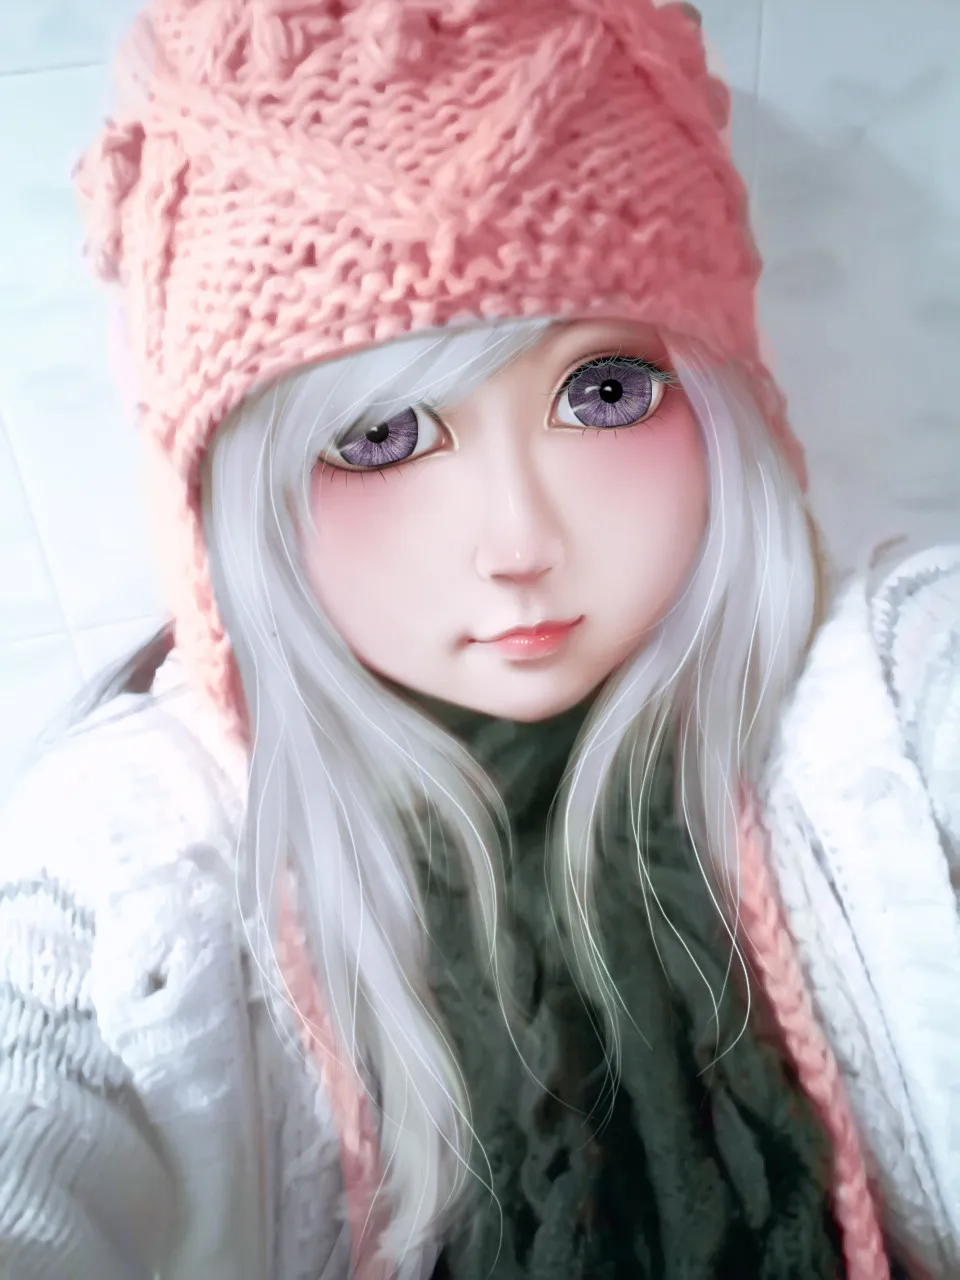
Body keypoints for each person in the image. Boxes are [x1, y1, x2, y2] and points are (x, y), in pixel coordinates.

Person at [0, 0, 956, 1276]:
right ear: (235, 493)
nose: (518, 538)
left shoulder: (888, 697)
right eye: (382, 434)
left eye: (605, 390)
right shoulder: (139, 855)